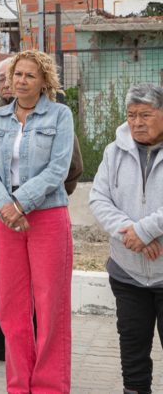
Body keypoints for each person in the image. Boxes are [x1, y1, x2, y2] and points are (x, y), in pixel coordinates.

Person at [0, 58, 83, 364]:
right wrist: (5, 206)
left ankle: (48, 384)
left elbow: (60, 167)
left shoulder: (60, 115)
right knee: (11, 304)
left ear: (44, 81)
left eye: (29, 75)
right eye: (16, 74)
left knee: (49, 305)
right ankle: (18, 382)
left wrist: (21, 203)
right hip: (5, 218)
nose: (20, 80)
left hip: (46, 215)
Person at [90, 84, 163, 394]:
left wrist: (144, 230)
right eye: (131, 115)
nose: (137, 122)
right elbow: (98, 199)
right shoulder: (114, 150)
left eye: (145, 114)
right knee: (132, 353)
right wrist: (131, 232)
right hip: (128, 271)